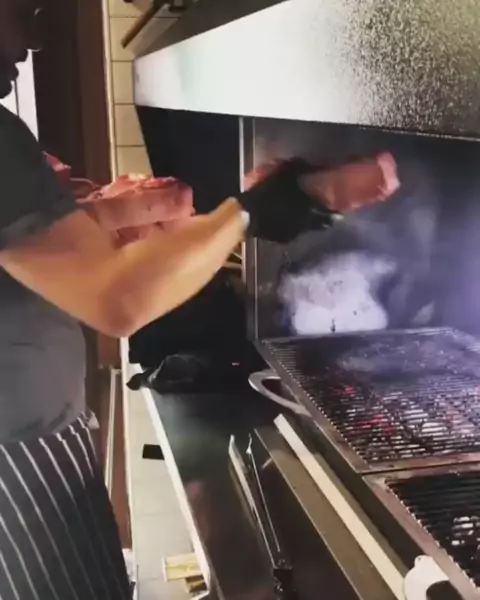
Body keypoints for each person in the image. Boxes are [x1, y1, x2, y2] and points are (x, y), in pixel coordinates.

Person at [0, 1, 400, 598]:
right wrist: (259, 208)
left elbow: (53, 249)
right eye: (19, 10)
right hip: (17, 462)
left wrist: (209, 220)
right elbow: (118, 299)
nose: (31, 40)